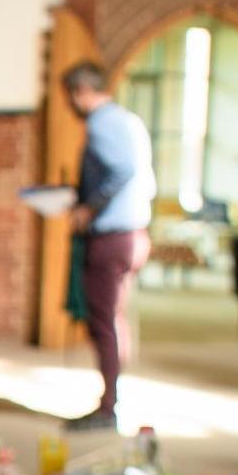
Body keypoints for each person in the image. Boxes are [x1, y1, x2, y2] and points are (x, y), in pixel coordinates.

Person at [64, 61, 156, 432]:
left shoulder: (101, 123)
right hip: (133, 234)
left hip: (112, 237)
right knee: (115, 320)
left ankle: (108, 408)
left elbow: (122, 170)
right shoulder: (128, 119)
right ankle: (112, 399)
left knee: (102, 323)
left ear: (81, 92)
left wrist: (88, 208)